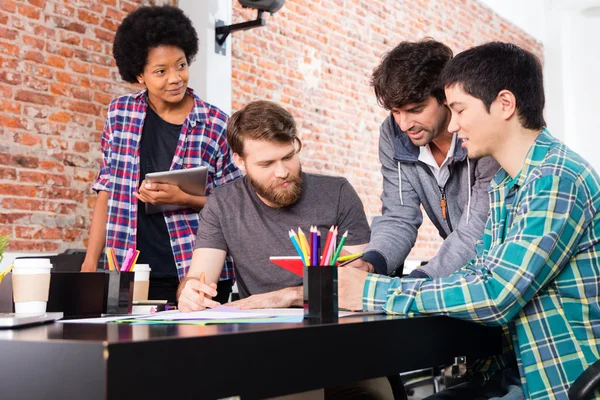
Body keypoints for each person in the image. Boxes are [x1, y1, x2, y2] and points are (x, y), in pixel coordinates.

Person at [338, 42, 600, 400]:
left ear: (505, 104)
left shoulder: (555, 180)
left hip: (556, 379)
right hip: (512, 365)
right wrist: (371, 272)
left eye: (459, 109)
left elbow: (496, 294)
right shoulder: (509, 184)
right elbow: (479, 273)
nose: (455, 124)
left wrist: (372, 291)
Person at [81, 5, 241, 304]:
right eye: (160, 71)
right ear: (139, 76)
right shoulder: (120, 114)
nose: (175, 78)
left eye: (181, 65)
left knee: (196, 350)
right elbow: (107, 189)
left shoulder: (217, 124)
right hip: (129, 268)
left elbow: (234, 207)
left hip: (197, 271)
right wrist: (91, 263)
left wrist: (184, 199)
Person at [177, 100, 371, 311]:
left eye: (288, 157)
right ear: (240, 162)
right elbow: (198, 277)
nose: (282, 172)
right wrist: (190, 293)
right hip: (262, 332)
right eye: (266, 164)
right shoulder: (222, 204)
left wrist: (288, 296)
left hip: (331, 326)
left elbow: (358, 282)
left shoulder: (337, 193)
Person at [351, 39, 499, 279]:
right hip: (458, 275)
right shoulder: (393, 134)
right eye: (396, 111)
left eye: (416, 109)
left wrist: (419, 281)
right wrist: (371, 263)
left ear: (445, 96)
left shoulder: (479, 135)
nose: (404, 124)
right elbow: (398, 216)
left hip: (498, 272)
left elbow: (477, 231)